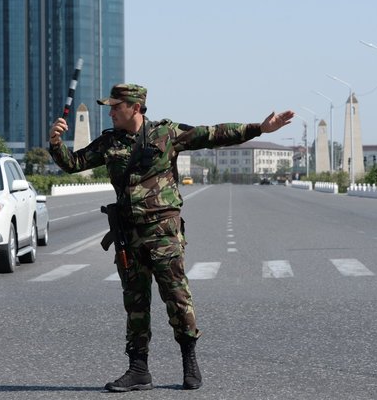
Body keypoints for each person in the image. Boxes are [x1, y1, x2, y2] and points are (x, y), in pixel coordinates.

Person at [48, 83, 294, 392]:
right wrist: (55, 141)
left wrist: (260, 128)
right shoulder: (109, 142)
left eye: (115, 106)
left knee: (177, 299)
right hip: (128, 234)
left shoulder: (166, 134)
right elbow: (74, 164)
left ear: (135, 108)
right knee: (135, 303)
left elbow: (213, 134)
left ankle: (189, 363)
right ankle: (138, 370)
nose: (110, 111)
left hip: (163, 232)